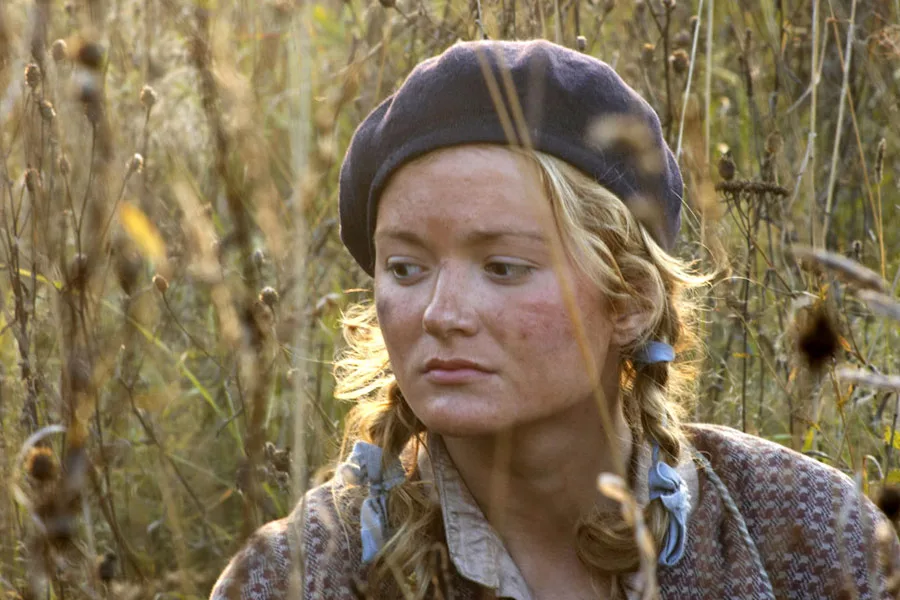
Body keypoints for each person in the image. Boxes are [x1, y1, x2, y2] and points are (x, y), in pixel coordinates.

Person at [210, 39, 900, 599]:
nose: (441, 314)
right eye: (406, 268)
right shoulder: (298, 577)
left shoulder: (808, 535)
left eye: (504, 267)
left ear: (629, 300)